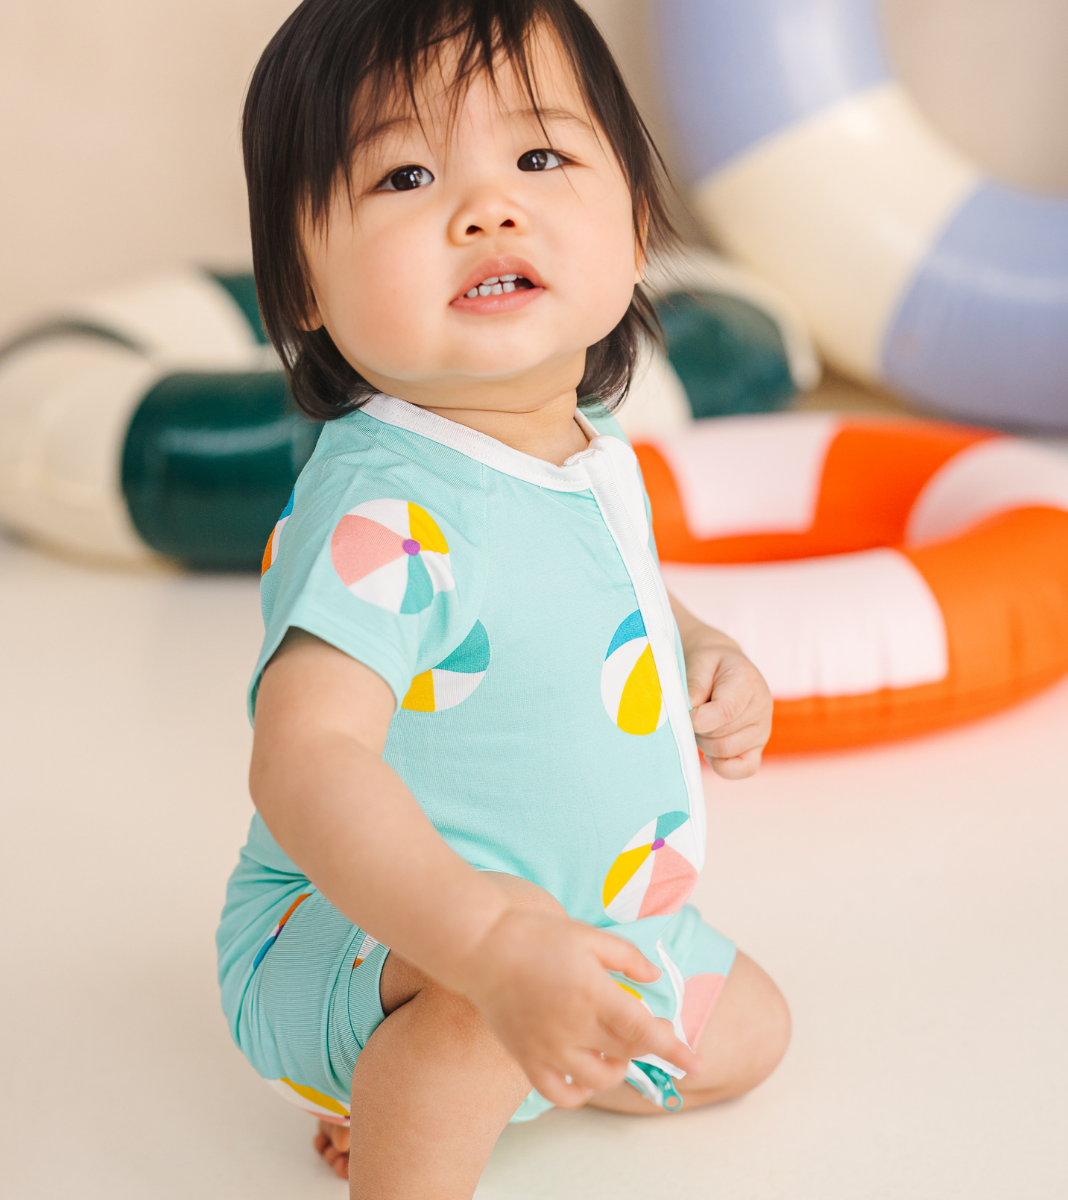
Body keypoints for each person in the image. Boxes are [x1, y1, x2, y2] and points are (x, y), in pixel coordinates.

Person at [217, 2, 790, 1195]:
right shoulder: (389, 509)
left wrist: (698, 647)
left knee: (752, 1034)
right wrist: (485, 941)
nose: (487, 208)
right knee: (475, 1017)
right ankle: (404, 1093)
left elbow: (597, 588)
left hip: (588, 919)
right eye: (406, 175)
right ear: (301, 284)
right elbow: (304, 756)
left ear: (634, 221)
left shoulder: (587, 441)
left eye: (538, 156)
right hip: (363, 942)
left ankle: (501, 1058)